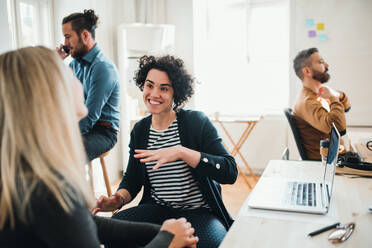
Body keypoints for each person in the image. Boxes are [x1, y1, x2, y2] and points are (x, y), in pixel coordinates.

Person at [0, 46, 198, 248]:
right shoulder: (51, 189)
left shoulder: (28, 176)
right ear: (51, 96)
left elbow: (86, 225)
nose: (80, 79)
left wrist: (162, 234)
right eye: (69, 73)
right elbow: (132, 178)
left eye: (164, 88)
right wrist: (167, 241)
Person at [93, 55, 238, 248]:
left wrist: (182, 152)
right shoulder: (141, 130)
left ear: (175, 93)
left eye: (164, 88)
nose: (154, 94)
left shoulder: (196, 123)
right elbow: (133, 178)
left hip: (200, 213)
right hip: (157, 209)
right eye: (149, 85)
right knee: (114, 234)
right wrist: (117, 200)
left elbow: (230, 171)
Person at [56, 9, 120, 162]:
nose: (65, 44)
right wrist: (56, 64)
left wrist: (63, 136)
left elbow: (90, 116)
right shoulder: (74, 65)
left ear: (84, 35)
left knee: (62, 154)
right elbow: (58, 97)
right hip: (82, 126)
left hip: (103, 132)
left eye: (67, 37)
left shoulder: (103, 68)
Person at [292, 47, 351, 160]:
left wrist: (337, 95)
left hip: (336, 156)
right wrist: (333, 97)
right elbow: (339, 128)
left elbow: (347, 107)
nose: (327, 65)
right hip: (329, 163)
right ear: (307, 71)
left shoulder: (317, 94)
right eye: (321, 62)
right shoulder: (308, 102)